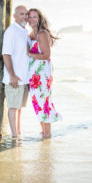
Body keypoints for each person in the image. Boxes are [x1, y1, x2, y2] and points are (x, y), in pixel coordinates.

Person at [27, 8, 62, 138]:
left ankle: (47, 133)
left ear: (40, 19)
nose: (32, 19)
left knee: (44, 101)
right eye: (29, 17)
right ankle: (44, 132)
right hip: (33, 73)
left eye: (34, 17)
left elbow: (47, 55)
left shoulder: (42, 33)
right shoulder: (31, 34)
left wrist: (30, 54)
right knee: (37, 102)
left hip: (42, 72)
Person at [2, 5, 30, 138]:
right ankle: (14, 136)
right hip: (14, 78)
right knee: (13, 107)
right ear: (14, 16)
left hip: (24, 79)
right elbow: (6, 54)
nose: (24, 16)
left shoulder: (24, 31)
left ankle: (18, 132)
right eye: (21, 14)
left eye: (26, 14)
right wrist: (12, 75)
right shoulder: (11, 31)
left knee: (19, 108)